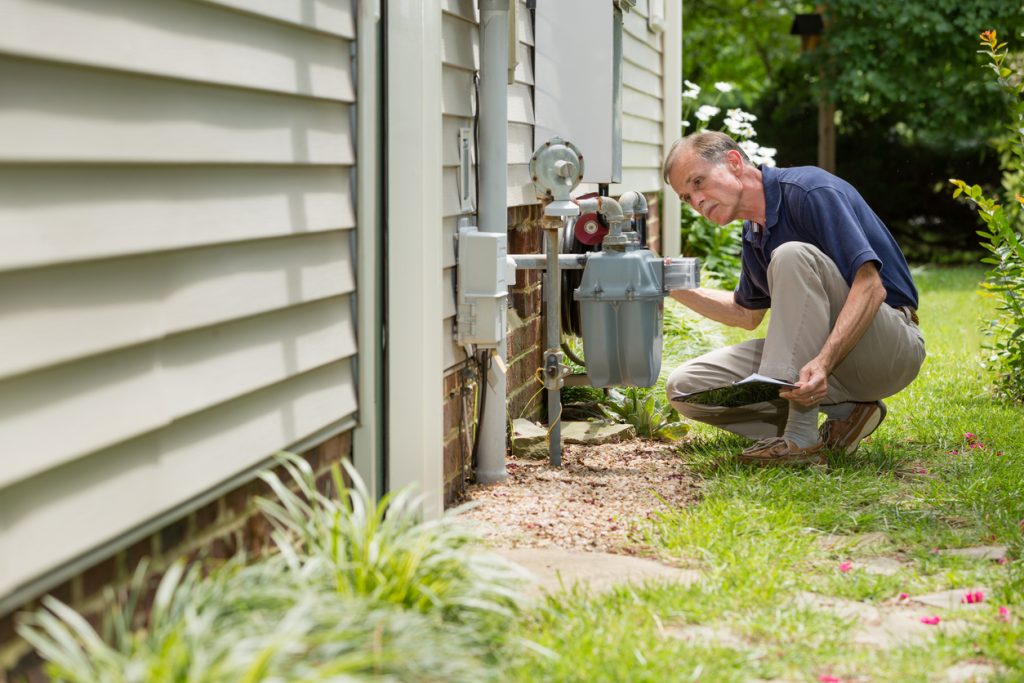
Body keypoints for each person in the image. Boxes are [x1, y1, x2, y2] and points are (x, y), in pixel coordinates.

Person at [661, 131, 925, 465]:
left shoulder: (809, 191)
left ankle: (800, 439)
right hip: (830, 368)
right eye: (686, 197)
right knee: (685, 387)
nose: (696, 201)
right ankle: (849, 412)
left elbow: (872, 287)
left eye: (698, 182)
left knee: (791, 255)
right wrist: (672, 287)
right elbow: (746, 314)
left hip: (887, 349)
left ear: (734, 162)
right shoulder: (754, 233)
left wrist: (823, 361)